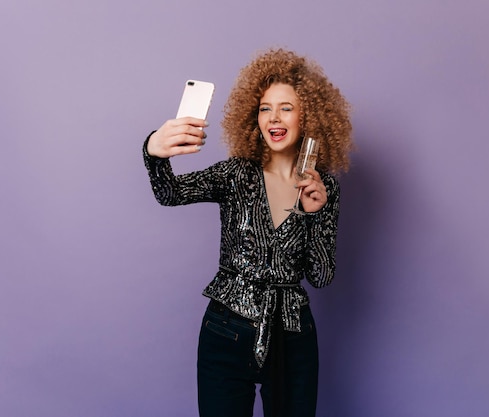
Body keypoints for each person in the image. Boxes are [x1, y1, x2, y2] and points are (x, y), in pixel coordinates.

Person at [142, 48, 353, 417]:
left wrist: (314, 215)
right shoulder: (235, 175)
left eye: (286, 107)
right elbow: (170, 193)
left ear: (309, 115)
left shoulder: (325, 188)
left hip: (292, 335)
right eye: (264, 108)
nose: (273, 117)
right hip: (227, 330)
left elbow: (320, 276)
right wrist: (153, 151)